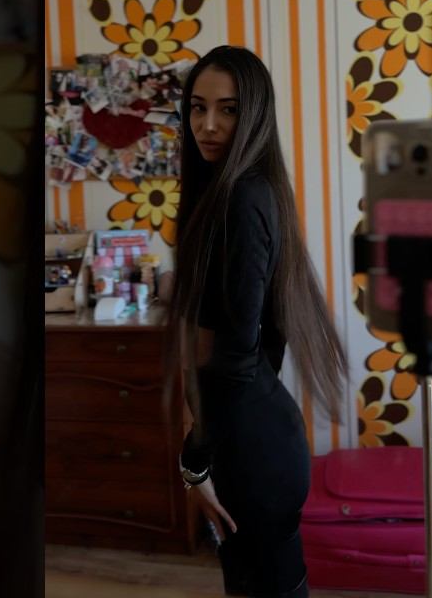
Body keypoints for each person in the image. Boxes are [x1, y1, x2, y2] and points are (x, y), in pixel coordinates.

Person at [164, 45, 348, 597]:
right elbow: (268, 337)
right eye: (198, 108)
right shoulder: (230, 193)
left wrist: (195, 460)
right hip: (248, 433)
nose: (208, 124)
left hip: (251, 445)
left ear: (255, 115)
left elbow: (237, 357)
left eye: (228, 109)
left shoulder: (243, 198)